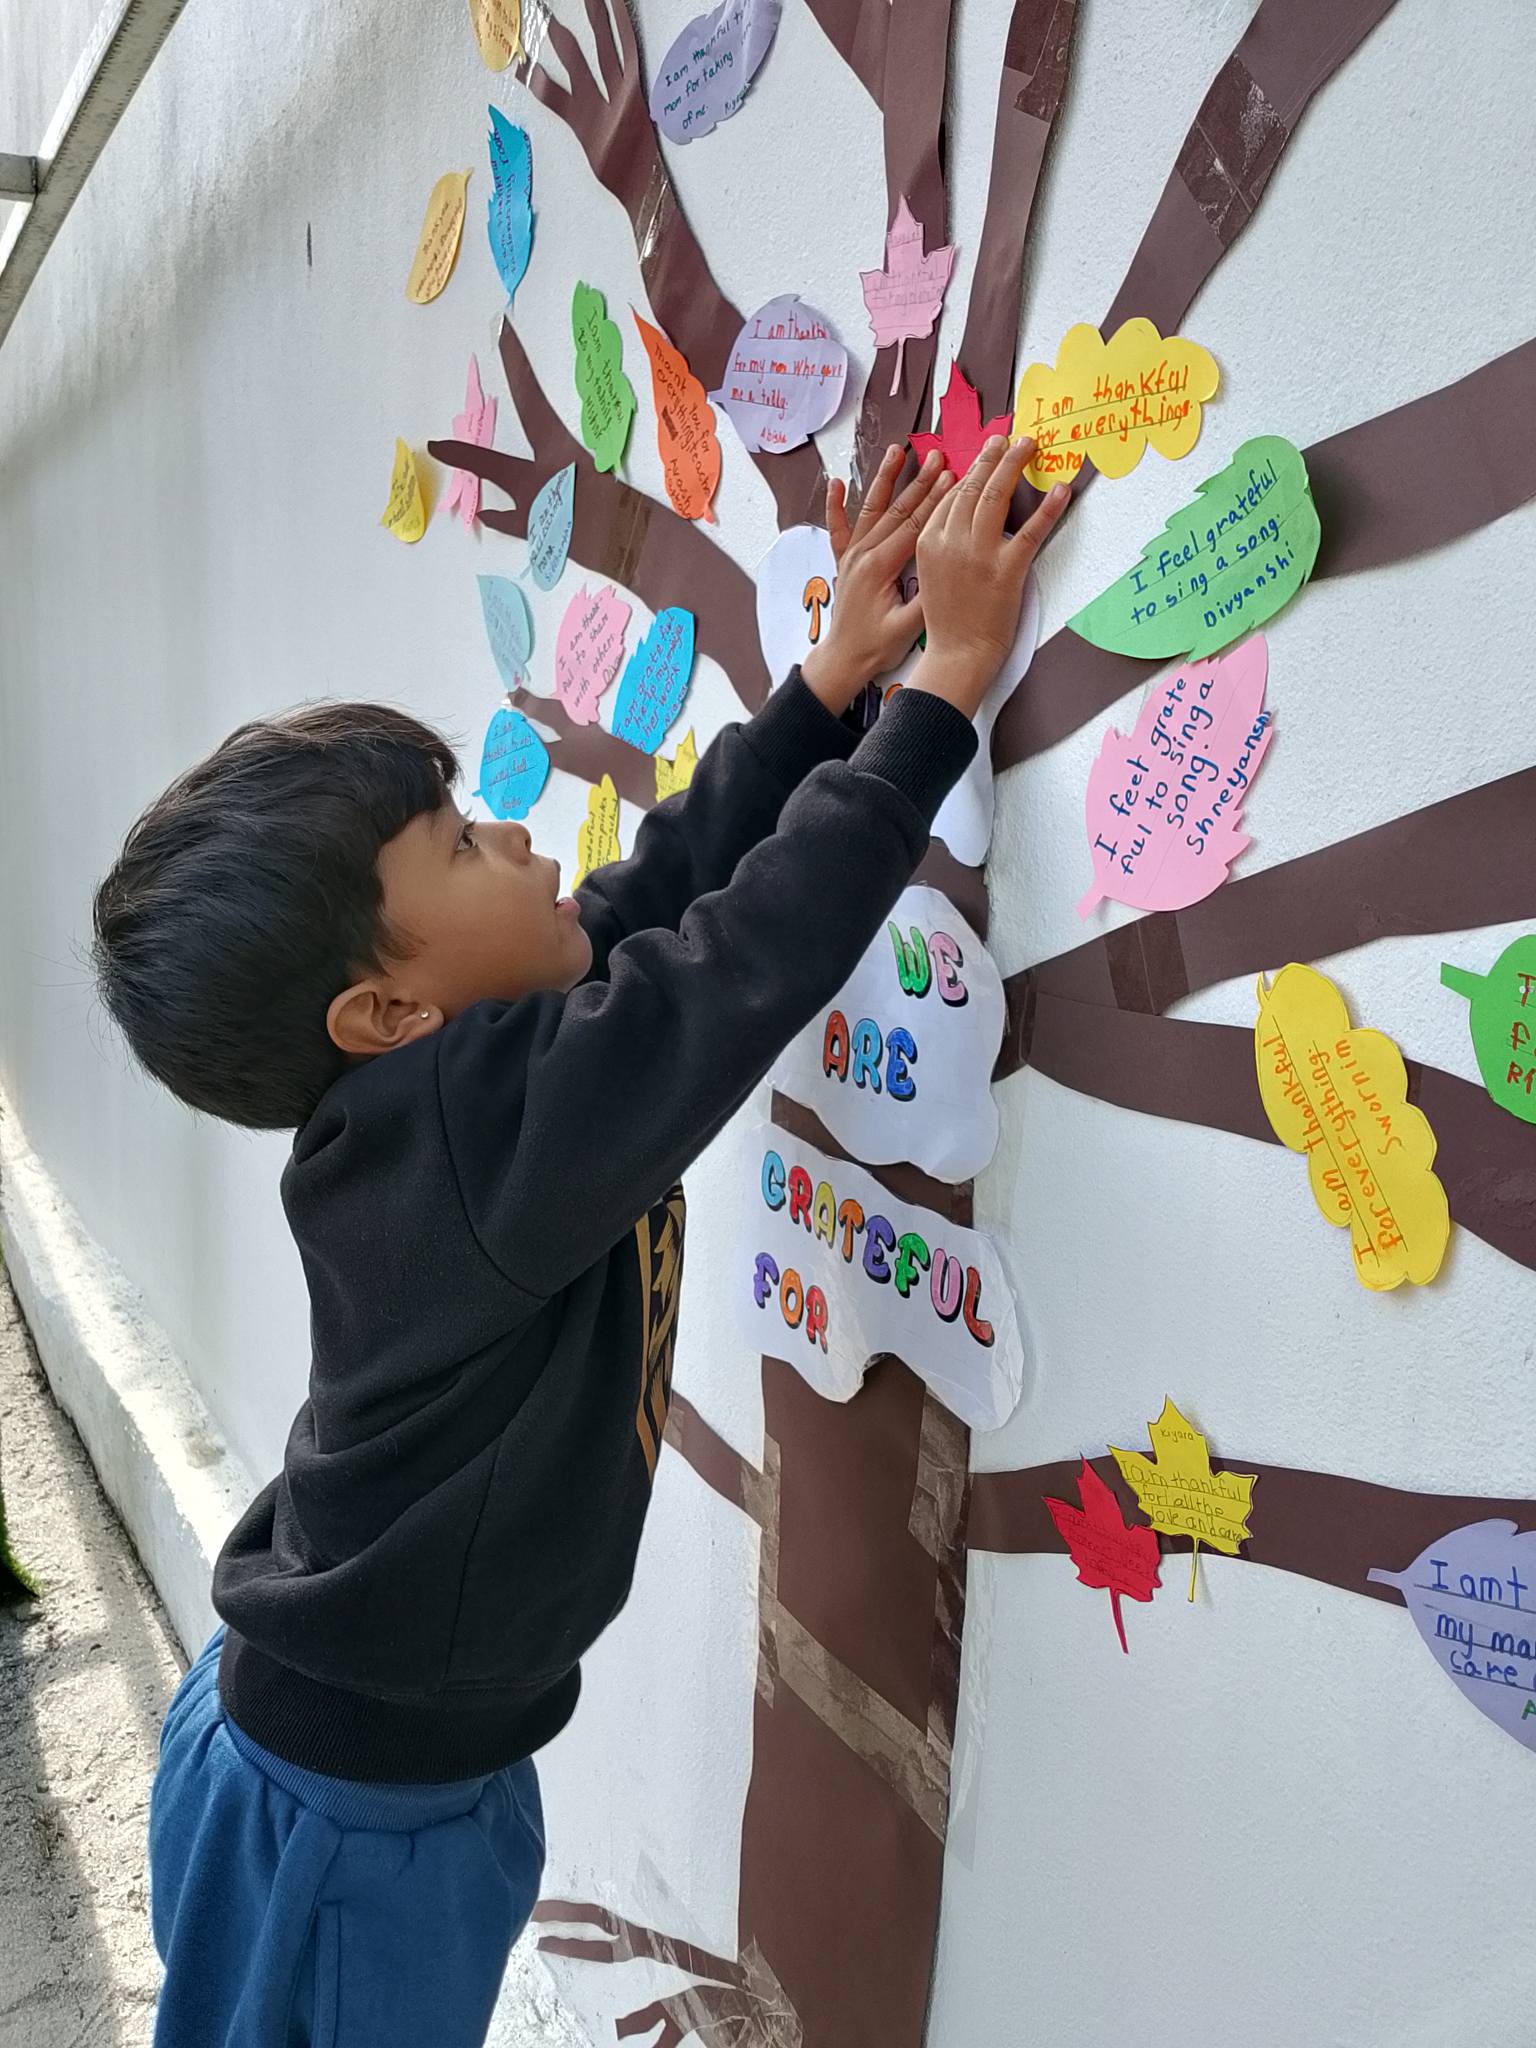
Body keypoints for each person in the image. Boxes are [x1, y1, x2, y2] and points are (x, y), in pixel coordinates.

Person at [92, 435, 1068, 2048]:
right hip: (350, 1812)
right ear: (387, 1011)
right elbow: (732, 970)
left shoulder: (459, 1079)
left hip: (376, 1758)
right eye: (464, 844)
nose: (528, 844)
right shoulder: (475, 1138)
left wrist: (827, 688)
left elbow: (655, 901)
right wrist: (942, 695)